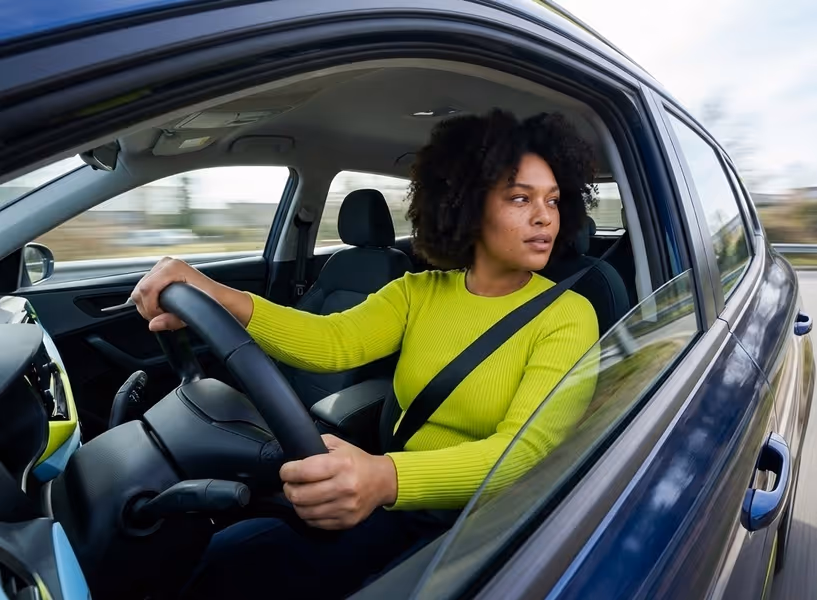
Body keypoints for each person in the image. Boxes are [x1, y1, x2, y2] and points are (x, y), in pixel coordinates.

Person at [131, 109, 600, 598]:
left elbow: (525, 453)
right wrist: (217, 295)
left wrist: (383, 476)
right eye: (520, 198)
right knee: (224, 564)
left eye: (553, 199)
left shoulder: (568, 315)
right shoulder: (419, 291)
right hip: (398, 504)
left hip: (488, 526)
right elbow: (332, 342)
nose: (545, 216)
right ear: (467, 203)